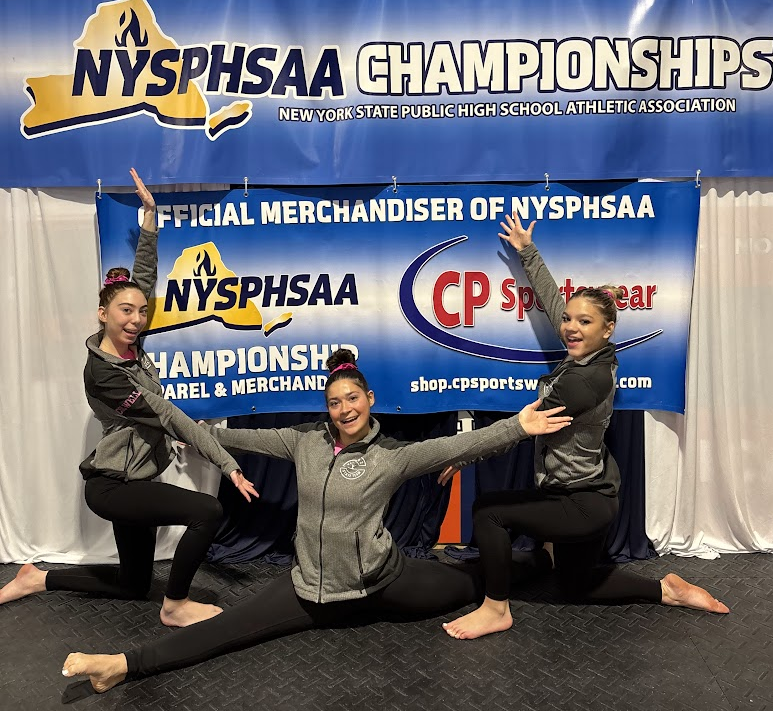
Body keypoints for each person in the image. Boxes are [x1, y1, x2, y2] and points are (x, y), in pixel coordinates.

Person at [59, 348, 571, 693]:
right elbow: (238, 438)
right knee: (225, 630)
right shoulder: (304, 441)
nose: (344, 409)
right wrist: (193, 431)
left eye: (353, 399)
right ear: (326, 408)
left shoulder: (391, 457)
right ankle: (120, 665)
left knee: (468, 581)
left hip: (381, 583)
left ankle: (537, 563)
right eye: (334, 402)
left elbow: (457, 446)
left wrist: (517, 426)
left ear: (370, 400)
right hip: (308, 589)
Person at [440, 213, 729, 641]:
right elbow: (554, 301)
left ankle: (495, 609)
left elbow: (522, 427)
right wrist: (527, 251)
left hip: (581, 504)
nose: (570, 327)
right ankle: (666, 590)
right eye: (569, 320)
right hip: (590, 492)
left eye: (584, 322)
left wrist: (461, 455)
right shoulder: (591, 356)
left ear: (608, 329)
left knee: (489, 511)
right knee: (577, 584)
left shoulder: (584, 381)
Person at [0, 169, 258, 628]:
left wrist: (150, 219)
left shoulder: (131, 345)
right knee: (208, 510)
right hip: (114, 487)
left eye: (141, 312)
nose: (137, 318)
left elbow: (142, 280)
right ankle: (175, 606)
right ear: (102, 314)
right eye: (126, 311)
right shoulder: (104, 373)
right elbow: (166, 414)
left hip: (135, 479)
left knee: (133, 583)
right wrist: (227, 464)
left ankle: (36, 578)